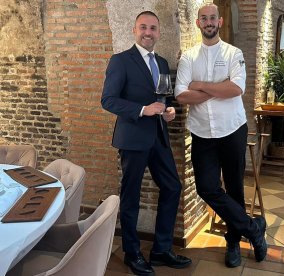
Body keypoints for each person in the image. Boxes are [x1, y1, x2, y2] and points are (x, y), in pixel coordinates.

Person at [174, 3, 267, 268]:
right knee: (206, 187)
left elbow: (236, 88)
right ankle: (253, 229)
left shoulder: (233, 53)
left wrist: (200, 86)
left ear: (220, 20)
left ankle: (233, 243)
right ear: (198, 23)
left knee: (235, 187)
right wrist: (218, 88)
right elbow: (181, 95)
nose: (209, 22)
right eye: (204, 18)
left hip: (232, 129)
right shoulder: (189, 57)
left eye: (213, 17)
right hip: (202, 132)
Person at [101, 11, 191, 276]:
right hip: (132, 139)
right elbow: (108, 100)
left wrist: (169, 110)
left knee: (173, 187)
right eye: (143, 27)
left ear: (159, 32)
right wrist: (142, 109)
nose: (148, 32)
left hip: (159, 137)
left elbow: (163, 99)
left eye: (153, 28)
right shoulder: (121, 61)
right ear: (134, 30)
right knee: (131, 196)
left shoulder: (162, 62)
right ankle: (132, 253)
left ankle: (161, 250)